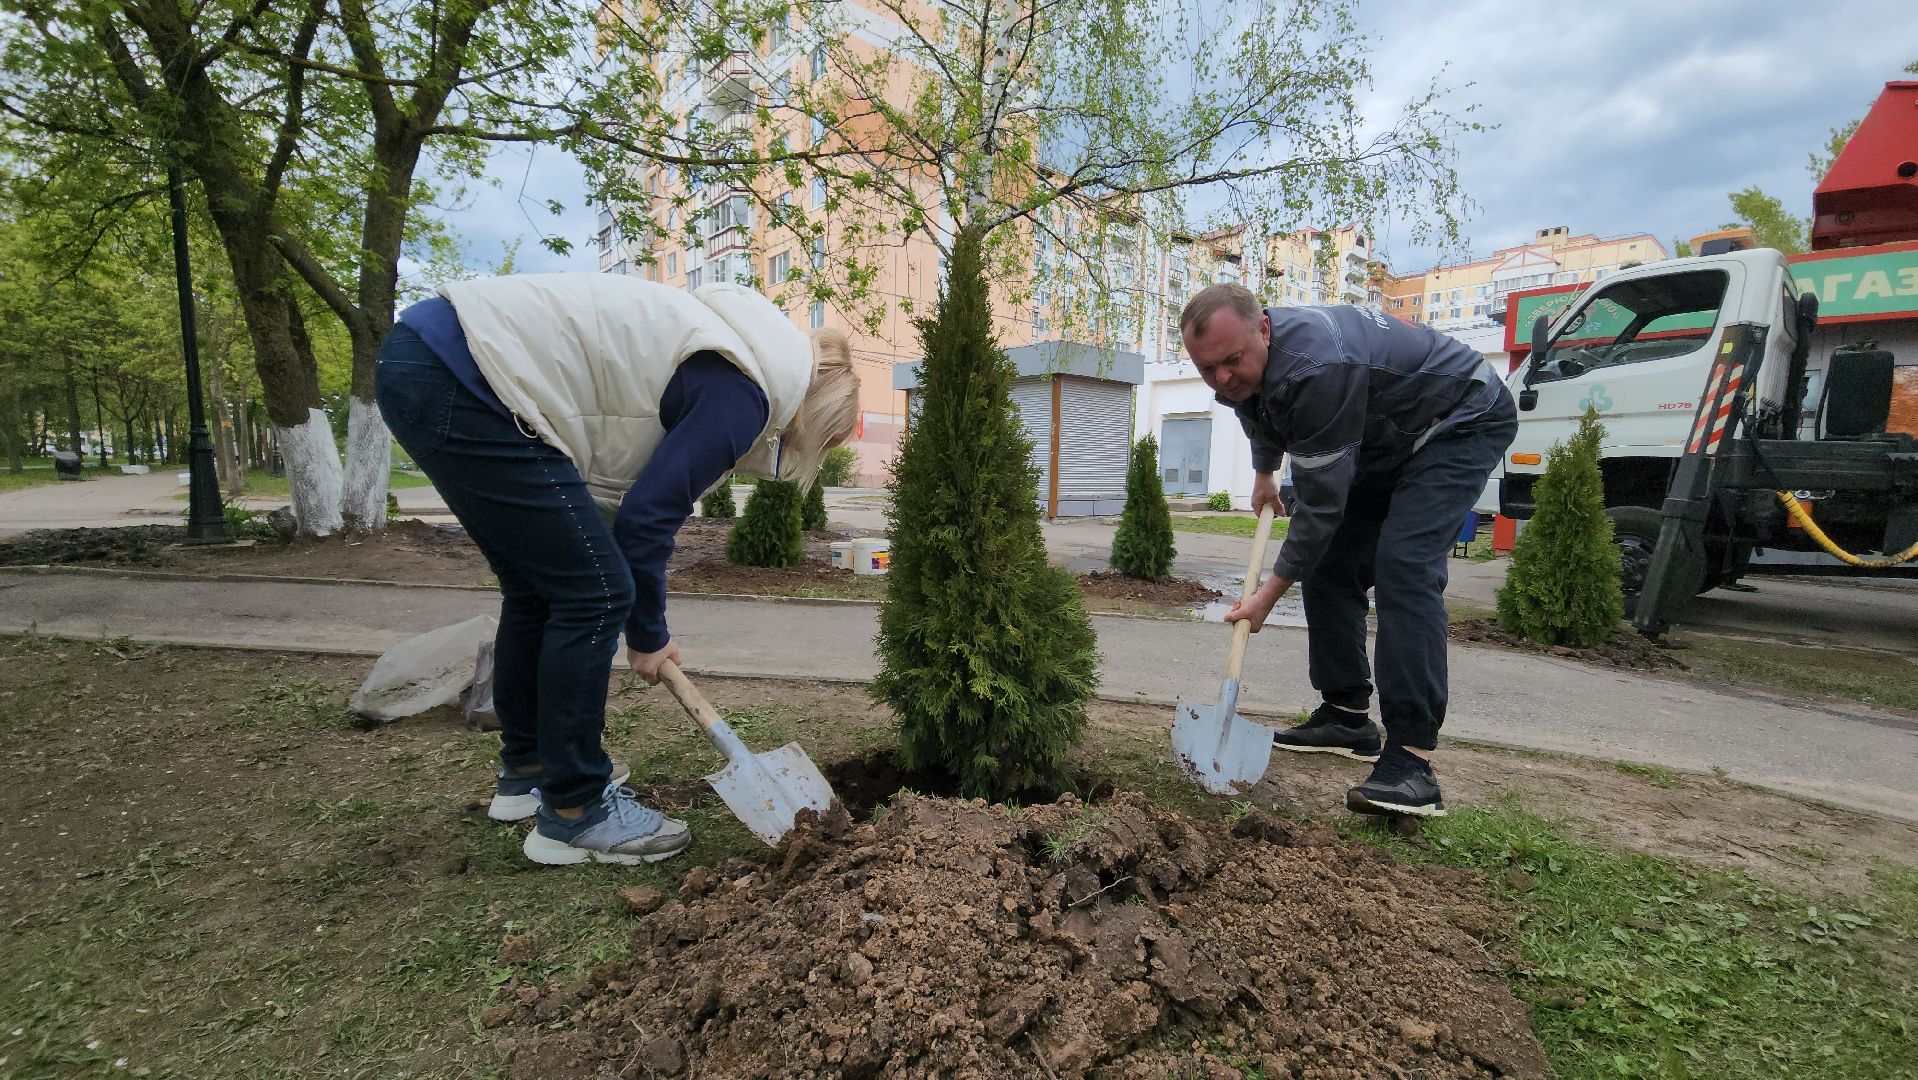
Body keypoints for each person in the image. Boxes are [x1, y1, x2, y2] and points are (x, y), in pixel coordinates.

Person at [375, 274, 859, 864]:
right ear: (814, 416)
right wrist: (648, 636)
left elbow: (616, 503)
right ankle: (576, 811)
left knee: (541, 589)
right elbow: (646, 523)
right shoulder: (747, 393)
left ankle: (528, 773)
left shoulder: (735, 350)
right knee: (596, 591)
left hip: (434, 359)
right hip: (470, 377)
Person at [1179, 284, 1516, 817]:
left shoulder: (1317, 368)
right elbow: (1253, 404)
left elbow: (1320, 509)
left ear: (1263, 329)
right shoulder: (1244, 363)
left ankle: (1411, 760)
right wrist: (1265, 472)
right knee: (1333, 562)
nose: (1221, 378)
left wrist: (1268, 595)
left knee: (1404, 565)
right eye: (1206, 369)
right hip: (1388, 433)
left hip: (1458, 418)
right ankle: (1345, 713)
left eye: (1231, 361)